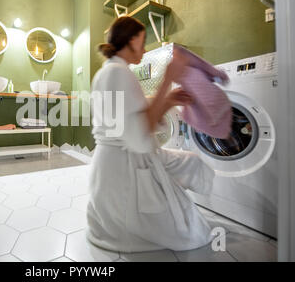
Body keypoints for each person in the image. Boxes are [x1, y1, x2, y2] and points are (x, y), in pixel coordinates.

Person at [86, 16, 216, 252]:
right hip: (123, 167)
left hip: (110, 166)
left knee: (190, 164)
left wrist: (167, 102)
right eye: (143, 42)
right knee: (188, 232)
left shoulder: (109, 71)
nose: (145, 50)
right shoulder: (118, 73)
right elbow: (138, 134)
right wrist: (168, 79)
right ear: (133, 40)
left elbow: (130, 117)